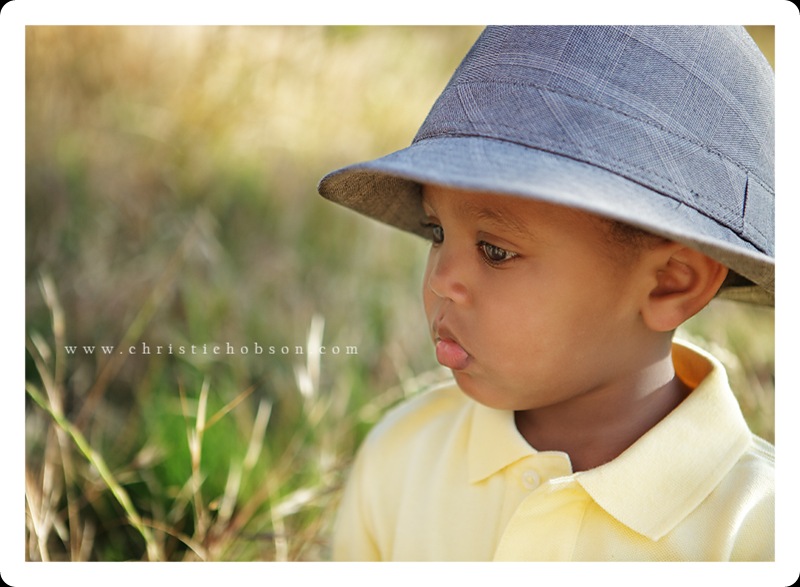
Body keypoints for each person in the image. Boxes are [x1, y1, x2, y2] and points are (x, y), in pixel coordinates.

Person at [317, 26, 774, 561]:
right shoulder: (402, 458)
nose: (441, 279)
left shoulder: (760, 530)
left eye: (495, 251)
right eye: (437, 232)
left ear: (671, 282)